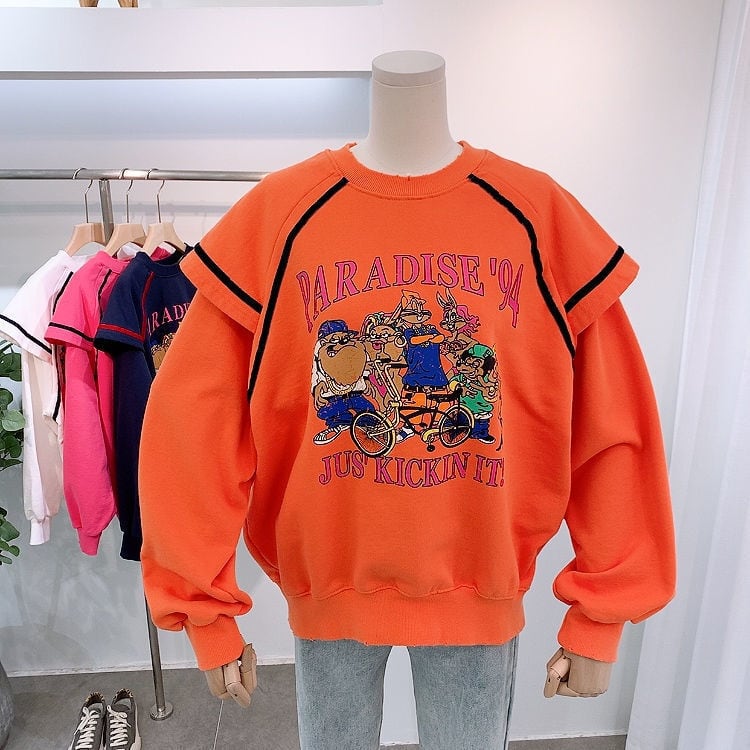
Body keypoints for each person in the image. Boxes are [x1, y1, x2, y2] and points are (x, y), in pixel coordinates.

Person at [139, 50, 676, 749]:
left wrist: (601, 614)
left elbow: (613, 427)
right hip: (329, 582)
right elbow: (192, 426)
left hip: (480, 583)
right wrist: (203, 610)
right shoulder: (280, 214)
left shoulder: (536, 214)